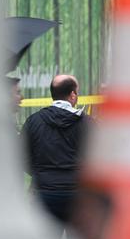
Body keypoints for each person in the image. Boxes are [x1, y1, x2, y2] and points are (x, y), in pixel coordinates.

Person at [22, 75, 90, 225]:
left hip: (43, 194)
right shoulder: (87, 123)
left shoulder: (33, 122)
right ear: (73, 95)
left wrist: (40, 173)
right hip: (78, 196)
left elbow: (21, 157)